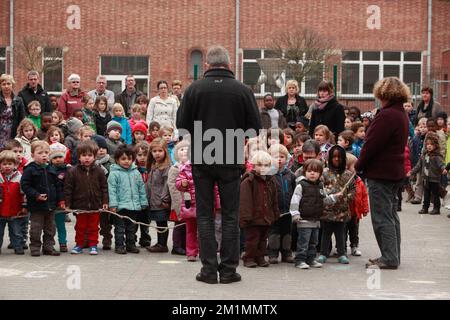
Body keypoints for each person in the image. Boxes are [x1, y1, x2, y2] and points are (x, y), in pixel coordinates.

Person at [177, 45, 262, 284]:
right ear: (228, 64)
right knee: (230, 215)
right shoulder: (242, 90)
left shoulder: (194, 89)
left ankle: (208, 270)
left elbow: (182, 125)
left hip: (203, 156)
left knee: (204, 215)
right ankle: (228, 270)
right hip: (231, 156)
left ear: (207, 65)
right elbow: (255, 128)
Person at [355, 77, 410, 270]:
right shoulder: (401, 113)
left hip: (382, 173)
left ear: (382, 93)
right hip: (395, 171)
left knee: (382, 217)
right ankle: (393, 254)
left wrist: (359, 165)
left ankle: (389, 257)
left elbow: (371, 144)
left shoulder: (386, 115)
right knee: (392, 215)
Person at [290, 159, 341, 269]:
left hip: (316, 219)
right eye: (309, 171)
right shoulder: (301, 185)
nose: (312, 173)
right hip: (303, 219)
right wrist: (295, 214)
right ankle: (300, 260)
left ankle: (311, 259)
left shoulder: (320, 186)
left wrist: (334, 197)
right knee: (303, 242)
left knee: (313, 242)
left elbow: (325, 200)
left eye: (315, 171)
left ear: (320, 174)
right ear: (305, 172)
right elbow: (295, 200)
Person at [64, 141, 109, 255]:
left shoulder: (99, 171)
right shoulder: (72, 171)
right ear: (79, 157)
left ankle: (93, 245)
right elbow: (68, 189)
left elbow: (104, 187)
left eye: (90, 155)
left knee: (94, 227)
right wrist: (68, 204)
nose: (87, 158)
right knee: (80, 226)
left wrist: (105, 201)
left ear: (94, 156)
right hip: (80, 205)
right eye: (84, 155)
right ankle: (79, 244)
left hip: (95, 205)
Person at [21, 141, 62, 256]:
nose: (44, 155)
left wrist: (61, 200)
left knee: (50, 229)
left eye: (46, 153)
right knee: (36, 229)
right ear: (33, 155)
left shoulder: (52, 169)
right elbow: (25, 185)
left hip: (51, 206)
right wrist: (36, 195)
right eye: (40, 153)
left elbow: (57, 186)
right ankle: (35, 247)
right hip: (36, 206)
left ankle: (48, 247)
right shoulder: (29, 169)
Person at [239, 151, 280, 268]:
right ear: (254, 165)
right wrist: (246, 217)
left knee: (263, 239)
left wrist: (275, 213)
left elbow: (274, 198)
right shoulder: (248, 181)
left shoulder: (271, 180)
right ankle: (249, 257)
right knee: (252, 239)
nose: (263, 168)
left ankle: (260, 256)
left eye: (266, 165)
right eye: (260, 165)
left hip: (266, 216)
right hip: (253, 217)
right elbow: (245, 201)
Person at [317, 145, 355, 265]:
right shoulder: (324, 173)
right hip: (327, 210)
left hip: (342, 210)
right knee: (326, 233)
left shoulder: (348, 174)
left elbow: (353, 190)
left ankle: (341, 253)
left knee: (341, 233)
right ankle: (323, 253)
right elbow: (320, 189)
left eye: (339, 157)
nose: (337, 159)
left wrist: (345, 198)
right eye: (334, 157)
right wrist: (328, 197)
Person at [108, 145, 148, 254]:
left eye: (129, 159)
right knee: (119, 228)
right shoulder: (114, 174)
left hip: (134, 206)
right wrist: (113, 205)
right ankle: (119, 246)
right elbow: (112, 190)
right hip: (120, 207)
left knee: (131, 228)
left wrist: (143, 202)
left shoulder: (136, 172)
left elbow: (141, 188)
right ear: (117, 160)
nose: (127, 161)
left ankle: (131, 245)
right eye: (123, 159)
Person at [267, 144, 296, 264]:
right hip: (274, 210)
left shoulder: (290, 175)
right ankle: (273, 254)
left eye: (282, 156)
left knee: (287, 234)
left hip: (287, 210)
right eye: (275, 157)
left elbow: (295, 192)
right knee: (274, 233)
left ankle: (286, 253)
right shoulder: (268, 175)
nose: (279, 159)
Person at [409, 133, 445, 215]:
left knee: (435, 195)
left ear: (435, 145)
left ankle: (436, 209)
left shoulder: (437, 156)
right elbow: (418, 165)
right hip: (426, 179)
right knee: (426, 194)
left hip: (434, 179)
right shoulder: (424, 155)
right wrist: (411, 172)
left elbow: (441, 165)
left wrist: (443, 169)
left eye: (431, 144)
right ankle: (425, 208)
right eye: (427, 144)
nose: (429, 146)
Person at [145, 138, 171, 252]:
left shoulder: (166, 167)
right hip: (153, 200)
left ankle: (163, 244)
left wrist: (165, 198)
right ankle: (159, 243)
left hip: (161, 201)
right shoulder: (153, 165)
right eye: (154, 151)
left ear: (165, 151)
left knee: (162, 222)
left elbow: (167, 184)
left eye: (160, 151)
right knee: (158, 223)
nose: (157, 153)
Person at [0, 150, 27, 255]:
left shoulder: (20, 177)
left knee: (16, 231)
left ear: (15, 164)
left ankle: (18, 246)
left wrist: (24, 205)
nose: (7, 166)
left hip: (15, 211)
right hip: (1, 210)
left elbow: (24, 193)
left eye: (10, 164)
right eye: (4, 164)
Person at [47, 143, 70, 253]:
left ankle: (63, 243)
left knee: (61, 224)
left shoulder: (68, 170)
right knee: (50, 226)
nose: (58, 159)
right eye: (55, 157)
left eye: (60, 157)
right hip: (51, 202)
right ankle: (50, 244)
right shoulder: (47, 170)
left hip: (62, 202)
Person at [168, 140, 189, 255]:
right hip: (179, 202)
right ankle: (176, 246)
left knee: (188, 225)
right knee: (178, 225)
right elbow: (172, 187)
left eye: (187, 149)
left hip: (190, 201)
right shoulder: (175, 169)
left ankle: (186, 245)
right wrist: (178, 205)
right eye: (181, 149)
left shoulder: (192, 168)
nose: (184, 151)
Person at [0, 74, 26, 149]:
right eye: (3, 84)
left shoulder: (18, 100)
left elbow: (22, 118)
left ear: (12, 85)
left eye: (9, 84)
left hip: (13, 132)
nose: (6, 86)